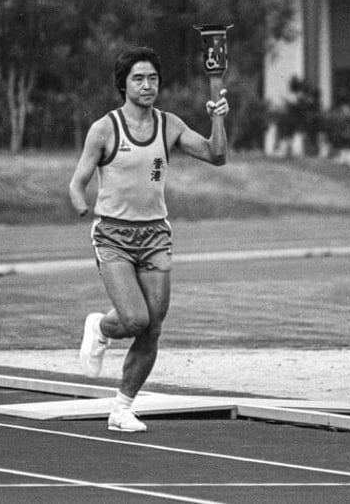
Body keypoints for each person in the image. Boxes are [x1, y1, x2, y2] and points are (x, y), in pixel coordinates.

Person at [68, 46, 229, 433]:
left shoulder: (169, 124)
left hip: (155, 234)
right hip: (113, 235)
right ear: (123, 84)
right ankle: (101, 327)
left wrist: (219, 120)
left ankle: (122, 407)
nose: (147, 85)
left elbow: (216, 155)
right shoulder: (105, 128)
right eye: (138, 78)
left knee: (153, 325)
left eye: (153, 78)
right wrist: (80, 203)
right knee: (135, 318)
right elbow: (79, 180)